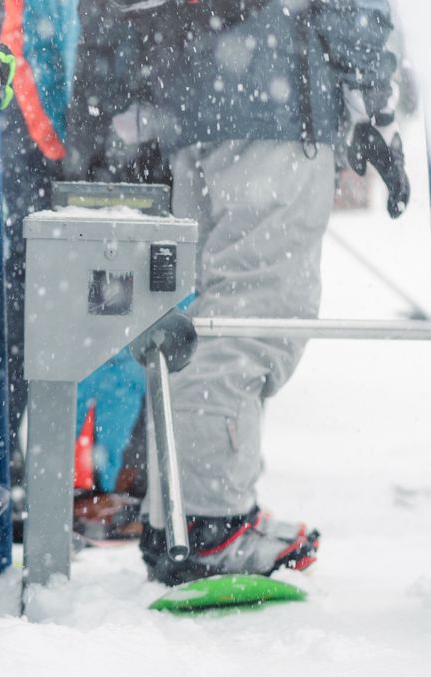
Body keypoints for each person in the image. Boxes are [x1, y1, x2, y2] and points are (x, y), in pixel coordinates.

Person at [103, 0, 401, 584]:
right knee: (253, 315)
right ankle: (213, 524)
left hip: (193, 103)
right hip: (274, 102)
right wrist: (375, 107)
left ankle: (179, 518)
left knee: (203, 320)